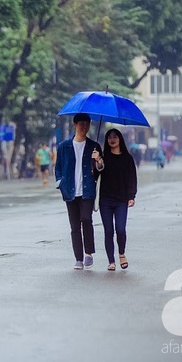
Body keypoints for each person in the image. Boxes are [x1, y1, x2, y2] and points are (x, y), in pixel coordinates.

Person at [55, 113, 104, 270]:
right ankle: (78, 259)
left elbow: (100, 170)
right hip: (69, 191)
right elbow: (58, 167)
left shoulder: (94, 146)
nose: (84, 126)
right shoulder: (64, 146)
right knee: (74, 226)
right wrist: (60, 183)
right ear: (75, 125)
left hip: (87, 190)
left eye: (87, 124)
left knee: (86, 219)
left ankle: (88, 253)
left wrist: (98, 160)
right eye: (81, 123)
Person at [98, 129, 137, 271]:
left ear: (120, 139)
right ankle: (111, 261)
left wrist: (131, 196)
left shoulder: (128, 158)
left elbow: (132, 179)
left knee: (120, 229)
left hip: (121, 200)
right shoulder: (103, 157)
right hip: (105, 200)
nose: (112, 140)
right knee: (108, 230)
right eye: (109, 137)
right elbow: (96, 173)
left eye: (115, 137)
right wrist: (97, 161)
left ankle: (121, 253)